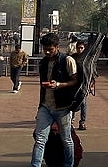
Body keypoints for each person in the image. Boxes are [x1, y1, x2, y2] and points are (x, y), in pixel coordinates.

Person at [30, 32, 78, 167]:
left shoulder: (67, 60)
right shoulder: (43, 63)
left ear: (57, 47)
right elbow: (42, 87)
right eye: (45, 49)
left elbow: (74, 81)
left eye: (50, 49)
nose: (47, 52)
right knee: (40, 140)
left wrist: (59, 85)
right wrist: (40, 106)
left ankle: (68, 164)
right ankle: (35, 165)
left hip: (63, 107)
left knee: (66, 140)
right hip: (46, 106)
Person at [71, 40, 91, 130]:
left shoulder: (87, 59)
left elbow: (91, 72)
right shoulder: (73, 58)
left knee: (83, 104)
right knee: (73, 103)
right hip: (74, 84)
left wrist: (91, 84)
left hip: (84, 85)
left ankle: (82, 122)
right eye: (78, 48)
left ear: (84, 48)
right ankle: (71, 121)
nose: (80, 49)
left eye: (81, 48)